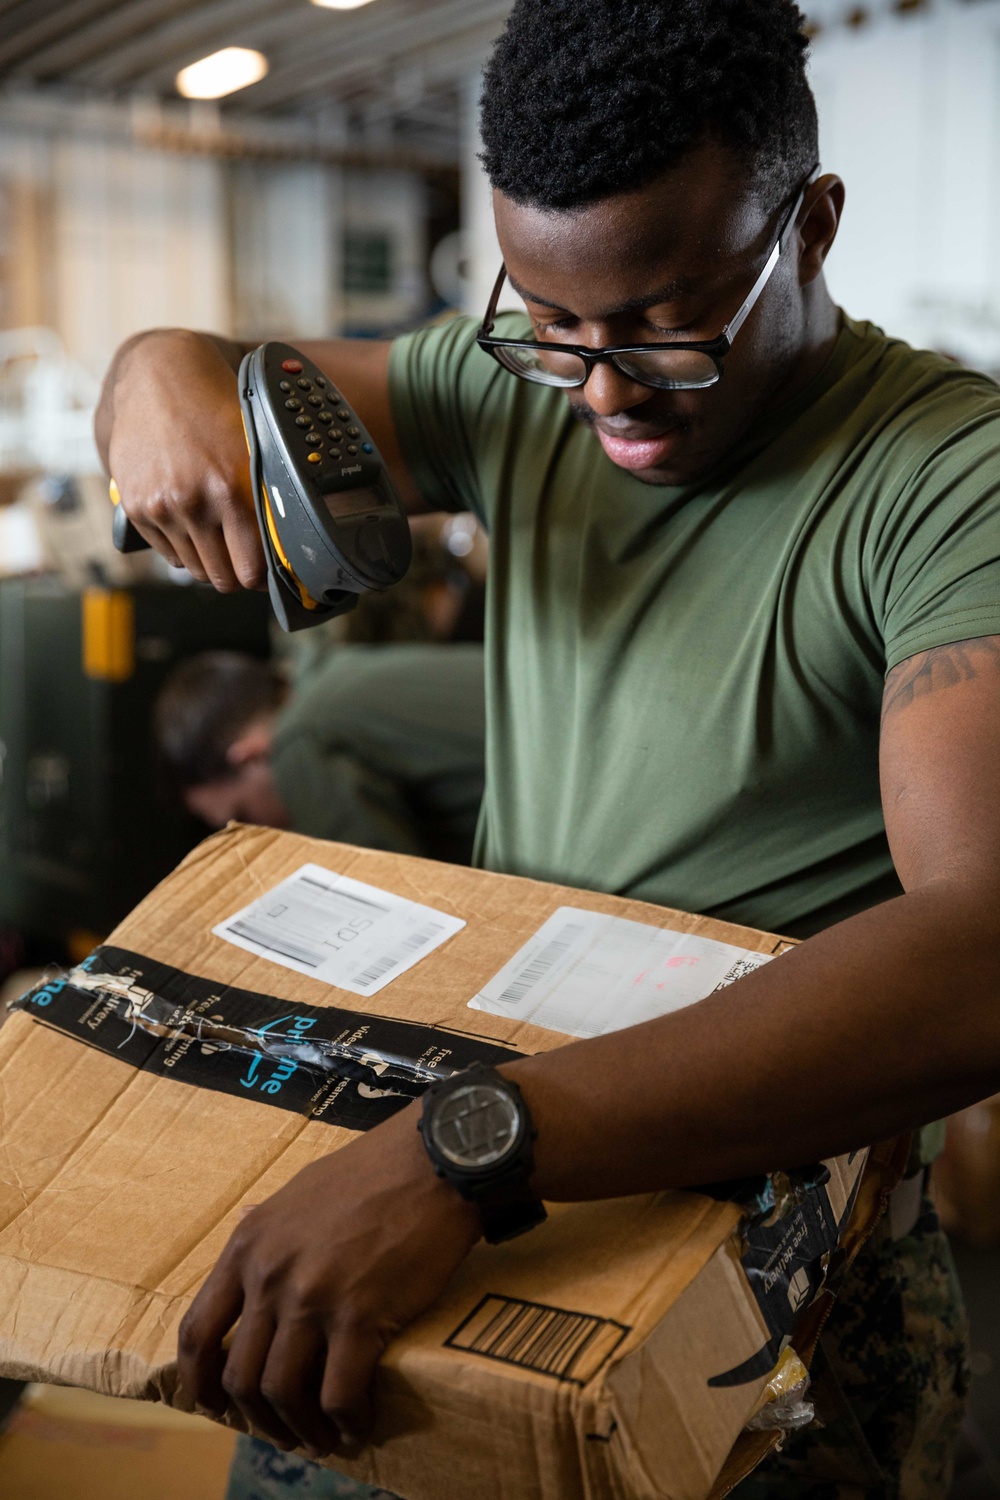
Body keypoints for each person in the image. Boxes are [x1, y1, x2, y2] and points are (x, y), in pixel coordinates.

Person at [95, 2, 1000, 1494]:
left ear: (814, 226)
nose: (606, 391)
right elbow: (218, 371)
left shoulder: (947, 481)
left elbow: (977, 953)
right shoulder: (512, 393)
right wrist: (152, 369)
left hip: (749, 1248)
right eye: (553, 324)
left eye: (667, 323)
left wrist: (462, 1145)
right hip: (505, 1168)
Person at [153, 645, 486, 865]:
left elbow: (391, 897)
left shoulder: (297, 742)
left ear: (249, 756)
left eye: (245, 815)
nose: (264, 831)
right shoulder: (328, 677)